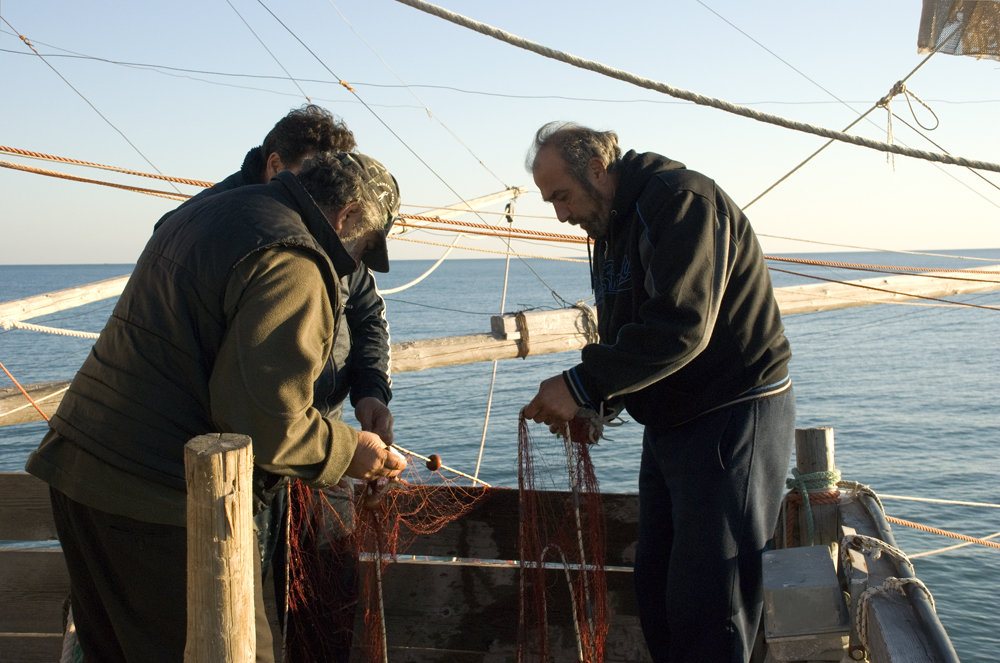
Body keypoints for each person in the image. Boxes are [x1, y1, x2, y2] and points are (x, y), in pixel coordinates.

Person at [25, 151, 407, 663]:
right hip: (164, 503)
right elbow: (263, 421)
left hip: (79, 472)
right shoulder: (295, 257)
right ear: (348, 215)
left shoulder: (209, 212)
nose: (355, 263)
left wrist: (367, 392)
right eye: (361, 247)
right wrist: (348, 451)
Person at [522, 122, 795, 663]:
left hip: (733, 414)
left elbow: (681, 326)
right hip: (670, 423)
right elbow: (628, 330)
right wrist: (595, 404)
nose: (560, 214)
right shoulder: (610, 227)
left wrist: (579, 384)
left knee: (710, 606)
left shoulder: (680, 202)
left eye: (562, 196)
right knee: (657, 593)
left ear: (597, 170)